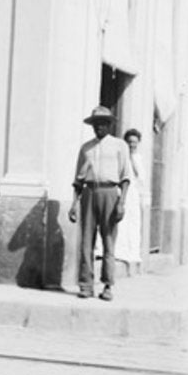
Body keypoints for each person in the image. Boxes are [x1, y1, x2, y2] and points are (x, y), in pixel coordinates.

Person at [68, 106, 130, 301]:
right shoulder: (86, 148)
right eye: (96, 124)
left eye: (102, 124)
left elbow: (126, 177)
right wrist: (73, 204)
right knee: (86, 240)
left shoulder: (120, 146)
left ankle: (108, 285)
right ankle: (86, 285)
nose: (99, 128)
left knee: (108, 240)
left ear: (109, 125)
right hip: (88, 193)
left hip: (110, 193)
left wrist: (121, 203)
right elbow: (78, 180)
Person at [116, 128, 147, 275]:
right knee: (121, 221)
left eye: (134, 142)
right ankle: (119, 251)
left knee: (133, 222)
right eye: (129, 142)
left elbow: (141, 177)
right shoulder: (121, 156)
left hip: (133, 194)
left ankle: (131, 253)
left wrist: (133, 160)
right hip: (122, 192)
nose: (131, 145)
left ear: (138, 143)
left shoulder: (138, 158)